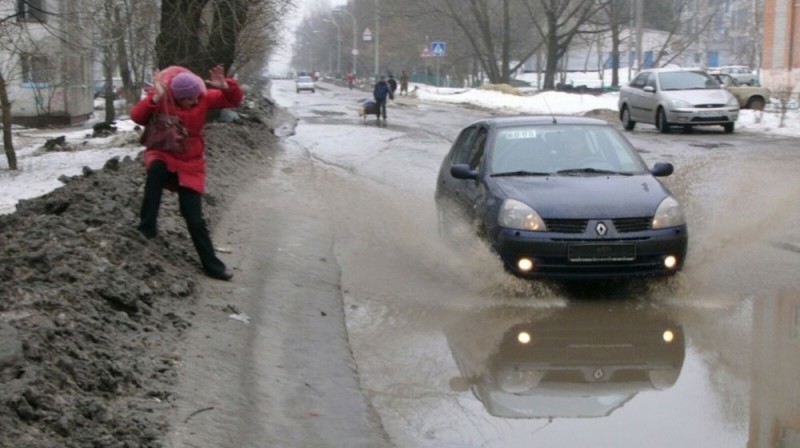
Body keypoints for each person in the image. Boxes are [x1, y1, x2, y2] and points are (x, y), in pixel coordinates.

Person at [130, 65, 243, 281]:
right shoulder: (163, 97)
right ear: (177, 96)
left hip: (191, 162)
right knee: (155, 172)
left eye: (195, 97)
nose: (193, 101)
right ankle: (147, 228)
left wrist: (227, 87)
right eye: (187, 99)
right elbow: (137, 116)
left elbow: (234, 101)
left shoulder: (203, 98)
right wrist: (154, 99)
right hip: (164, 152)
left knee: (194, 217)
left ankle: (213, 265)